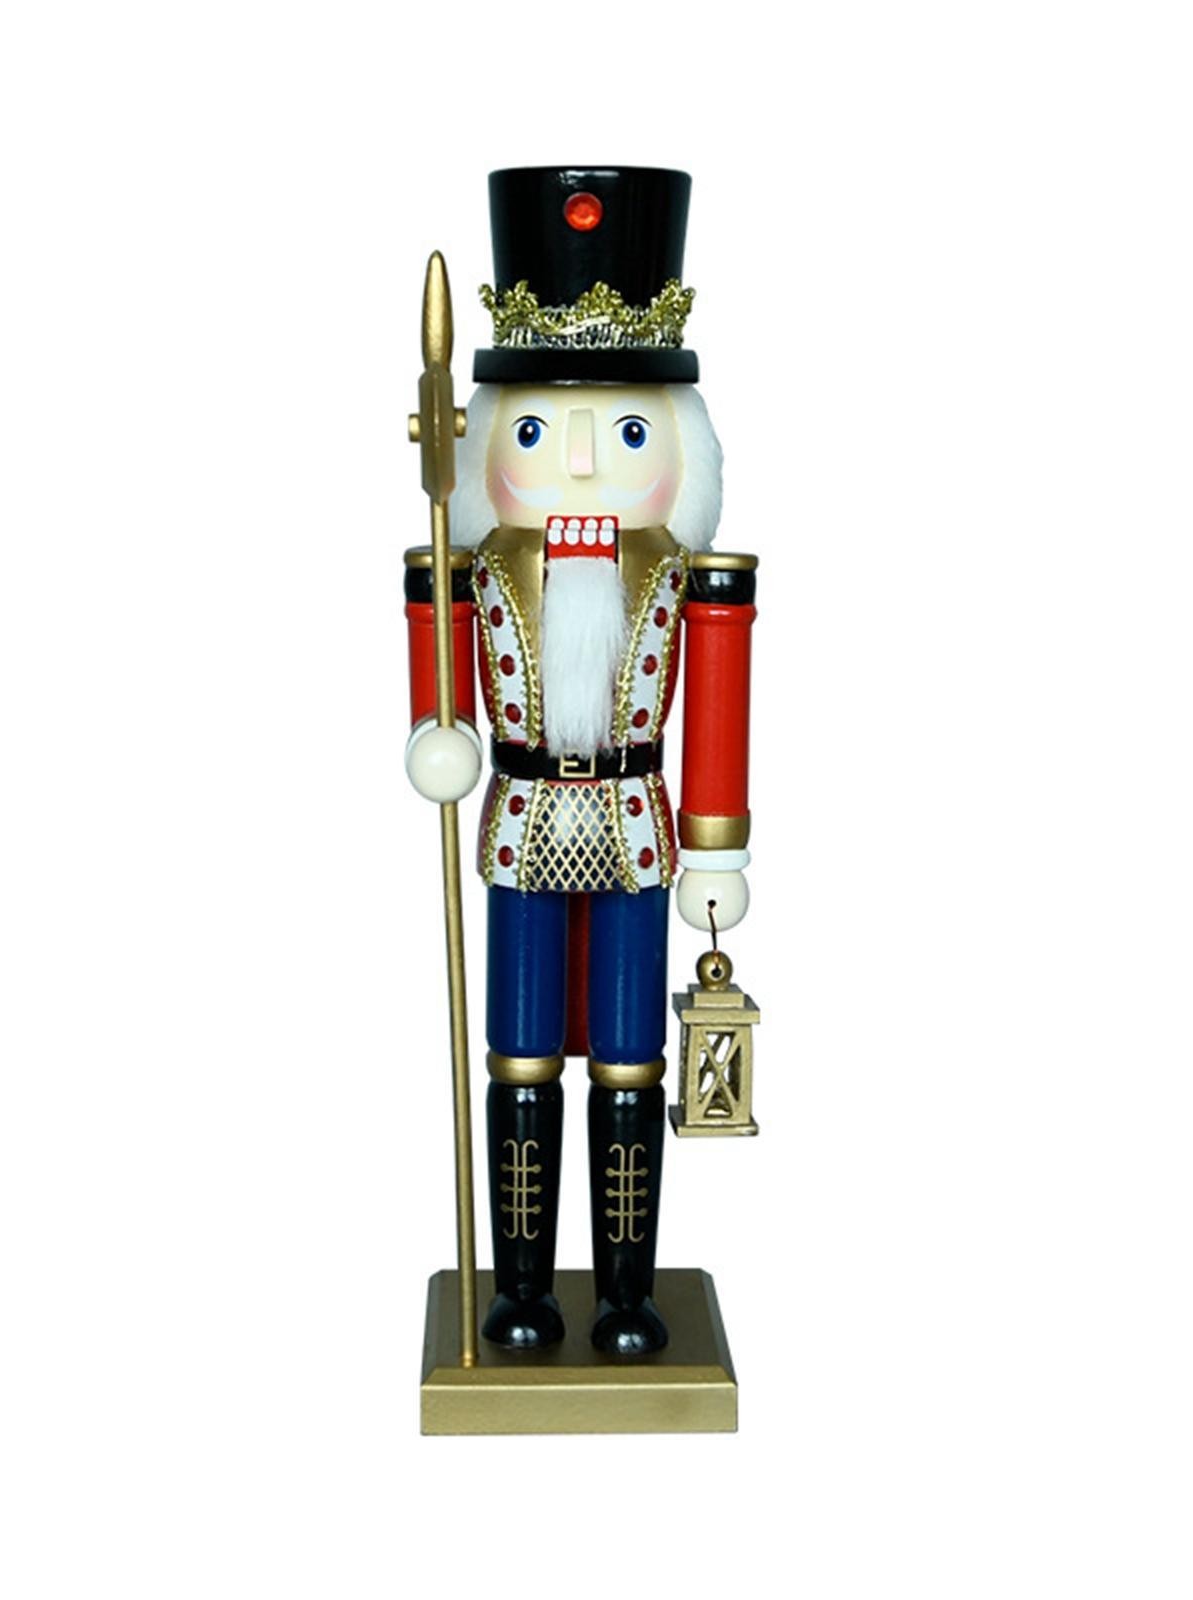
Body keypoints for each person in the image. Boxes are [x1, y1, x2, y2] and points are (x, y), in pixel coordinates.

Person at [403, 167, 757, 1355]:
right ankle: (517, 1286)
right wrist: (439, 733)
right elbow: (435, 666)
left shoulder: (690, 577)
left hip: (635, 829)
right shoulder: (475, 566)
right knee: (517, 1050)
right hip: (518, 824)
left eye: (630, 432)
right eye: (542, 433)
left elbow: (718, 715)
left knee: (627, 1057)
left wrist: (717, 851)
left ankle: (622, 1291)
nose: (589, 466)